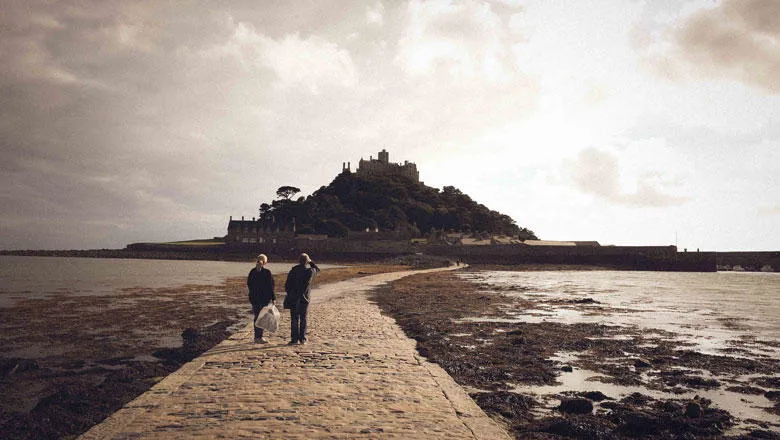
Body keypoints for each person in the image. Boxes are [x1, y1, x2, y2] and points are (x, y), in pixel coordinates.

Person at [284, 253, 320, 345]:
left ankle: (294, 339)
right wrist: (311, 262)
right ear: (306, 261)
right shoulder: (310, 271)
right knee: (303, 318)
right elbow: (317, 269)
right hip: (304, 298)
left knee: (294, 319)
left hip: (294, 297)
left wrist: (290, 293)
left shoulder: (293, 270)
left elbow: (287, 285)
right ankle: (302, 339)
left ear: (299, 260)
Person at [247, 254, 275, 344]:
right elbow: (270, 287)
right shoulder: (267, 272)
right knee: (262, 318)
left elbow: (249, 284)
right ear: (265, 262)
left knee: (256, 317)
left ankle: (257, 337)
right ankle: (259, 337)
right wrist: (273, 298)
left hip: (254, 298)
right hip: (264, 299)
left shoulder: (252, 271)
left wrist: (252, 293)